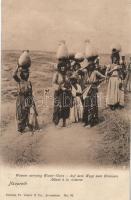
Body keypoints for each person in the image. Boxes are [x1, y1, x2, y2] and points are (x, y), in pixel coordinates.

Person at [13, 67, 39, 133]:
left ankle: (31, 126)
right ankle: (21, 128)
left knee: (31, 112)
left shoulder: (29, 82)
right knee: (21, 113)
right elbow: (13, 75)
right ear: (22, 73)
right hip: (21, 99)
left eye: (27, 73)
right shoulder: (19, 80)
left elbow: (31, 92)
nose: (26, 74)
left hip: (29, 99)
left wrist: (32, 101)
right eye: (24, 72)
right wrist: (17, 67)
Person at [82, 56, 105, 128]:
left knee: (93, 105)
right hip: (86, 90)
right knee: (86, 105)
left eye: (92, 65)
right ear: (88, 66)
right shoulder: (85, 72)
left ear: (94, 66)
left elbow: (104, 77)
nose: (91, 66)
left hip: (93, 89)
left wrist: (97, 82)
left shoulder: (95, 72)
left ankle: (92, 122)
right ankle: (86, 121)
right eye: (90, 65)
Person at [52, 61, 72, 127]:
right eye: (61, 67)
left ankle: (64, 122)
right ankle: (56, 122)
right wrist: (60, 87)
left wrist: (68, 87)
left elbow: (68, 83)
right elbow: (54, 83)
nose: (63, 68)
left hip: (65, 93)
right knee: (57, 107)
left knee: (65, 107)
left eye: (64, 67)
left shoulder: (66, 75)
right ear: (59, 67)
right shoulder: (56, 74)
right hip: (58, 93)